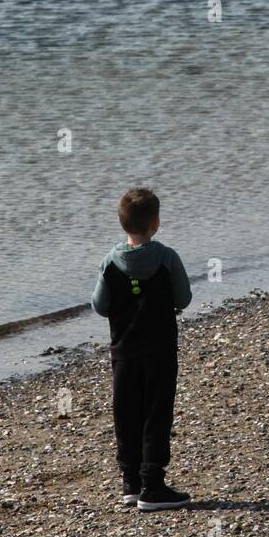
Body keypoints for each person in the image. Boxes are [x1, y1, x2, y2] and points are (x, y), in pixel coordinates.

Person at [91, 188, 193, 510]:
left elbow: (99, 305)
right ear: (156, 223)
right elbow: (183, 299)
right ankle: (153, 485)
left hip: (123, 351)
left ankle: (130, 481)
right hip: (160, 349)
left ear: (123, 225)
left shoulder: (110, 262)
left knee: (126, 412)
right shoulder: (167, 258)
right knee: (156, 412)